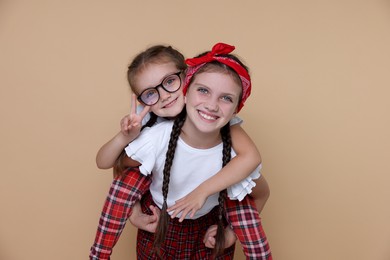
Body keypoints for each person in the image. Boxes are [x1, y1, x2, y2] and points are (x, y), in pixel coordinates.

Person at [89, 43, 271, 259]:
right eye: (150, 93)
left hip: (207, 228)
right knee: (131, 174)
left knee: (239, 196)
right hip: (161, 224)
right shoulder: (151, 130)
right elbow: (117, 165)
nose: (164, 95)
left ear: (186, 79)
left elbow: (255, 174)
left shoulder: (224, 131)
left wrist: (228, 229)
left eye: (169, 82)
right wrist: (135, 213)